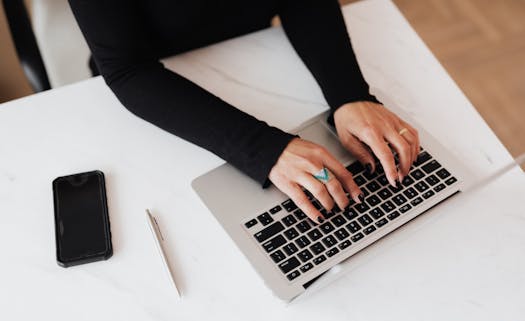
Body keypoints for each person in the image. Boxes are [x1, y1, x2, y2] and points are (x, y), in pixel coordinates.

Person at [69, 0, 420, 224]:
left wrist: (349, 95)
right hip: (157, 96)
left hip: (253, 52)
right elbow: (128, 70)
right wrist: (267, 149)